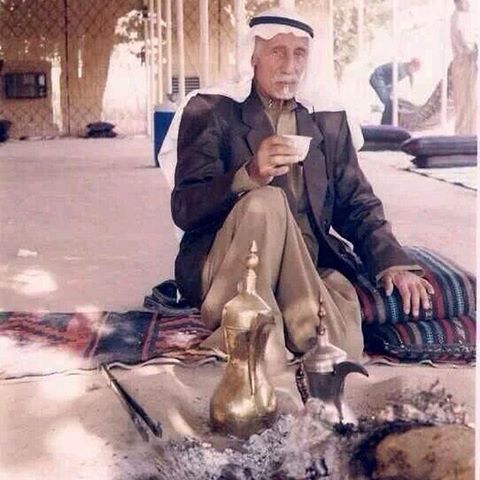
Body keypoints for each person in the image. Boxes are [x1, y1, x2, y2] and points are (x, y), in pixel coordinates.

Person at [164, 9, 433, 368]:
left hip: (303, 265)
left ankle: (282, 325)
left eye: (299, 53)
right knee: (266, 200)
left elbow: (357, 201)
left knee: (342, 345)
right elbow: (185, 208)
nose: (289, 65)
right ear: (253, 56)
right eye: (277, 51)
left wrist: (392, 262)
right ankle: (251, 331)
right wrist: (249, 174)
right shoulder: (211, 111)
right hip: (228, 266)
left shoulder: (327, 120)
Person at [450, 0, 477, 135]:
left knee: (467, 103)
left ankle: (467, 133)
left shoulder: (458, 17)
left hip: (464, 64)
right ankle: (465, 134)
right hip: (464, 64)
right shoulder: (459, 18)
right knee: (466, 103)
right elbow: (466, 44)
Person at [369, 58, 421, 125]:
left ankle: (386, 122)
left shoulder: (407, 71)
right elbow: (394, 82)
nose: (414, 72)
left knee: (391, 101)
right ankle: (385, 124)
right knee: (388, 101)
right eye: (415, 69)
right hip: (377, 77)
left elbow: (410, 80)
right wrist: (392, 93)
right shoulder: (400, 69)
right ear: (411, 64)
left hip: (385, 81)